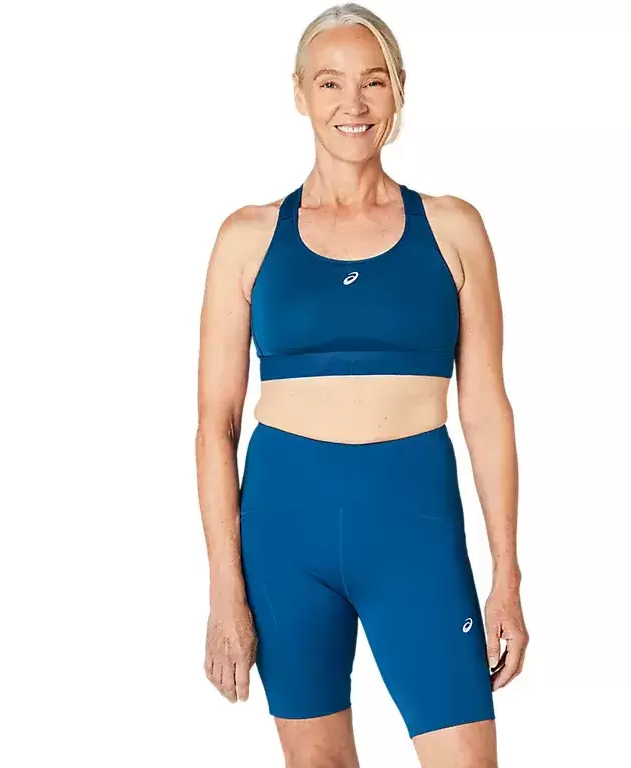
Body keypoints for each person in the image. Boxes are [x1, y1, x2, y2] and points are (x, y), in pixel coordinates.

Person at [196, 4, 528, 766]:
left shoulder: (452, 228)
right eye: (330, 82)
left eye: (373, 81)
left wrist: (506, 573)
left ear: (399, 89)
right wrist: (223, 590)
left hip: (414, 526)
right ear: (299, 93)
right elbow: (215, 425)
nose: (354, 103)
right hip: (284, 533)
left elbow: (486, 409)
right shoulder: (248, 236)